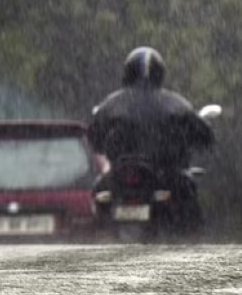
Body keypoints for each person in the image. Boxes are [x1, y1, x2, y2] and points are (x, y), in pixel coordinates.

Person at [88, 47, 215, 227]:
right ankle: (189, 240)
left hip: (124, 174)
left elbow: (94, 139)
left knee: (99, 191)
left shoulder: (111, 104)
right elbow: (204, 136)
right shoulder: (176, 103)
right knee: (189, 192)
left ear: (128, 72)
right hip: (164, 171)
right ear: (159, 73)